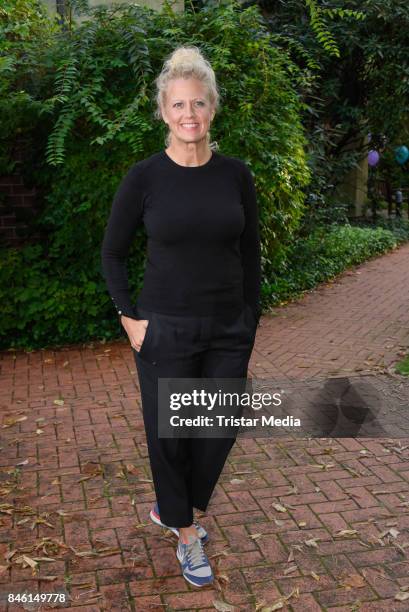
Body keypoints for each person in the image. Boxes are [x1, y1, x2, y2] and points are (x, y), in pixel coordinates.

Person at [101, 45, 261, 587]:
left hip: (227, 328)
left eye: (198, 103)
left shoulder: (236, 175)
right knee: (171, 434)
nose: (188, 115)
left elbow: (251, 253)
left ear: (212, 108)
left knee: (220, 425)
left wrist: (250, 319)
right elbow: (113, 252)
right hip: (164, 327)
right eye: (177, 105)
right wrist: (128, 317)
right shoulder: (144, 178)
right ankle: (186, 531)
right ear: (164, 113)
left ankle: (175, 508)